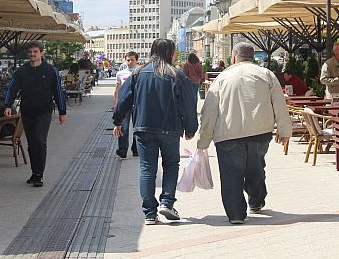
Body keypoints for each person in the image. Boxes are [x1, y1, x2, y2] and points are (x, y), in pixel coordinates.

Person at [199, 42, 292, 225]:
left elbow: (209, 110)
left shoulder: (221, 78)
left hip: (227, 134)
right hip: (260, 131)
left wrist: (203, 140)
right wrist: (284, 129)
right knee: (255, 169)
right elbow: (280, 104)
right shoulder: (266, 75)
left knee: (230, 174)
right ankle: (256, 201)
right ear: (252, 57)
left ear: (233, 58)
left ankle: (235, 214)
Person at [113, 39, 198, 225]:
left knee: (147, 168)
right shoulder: (177, 75)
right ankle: (167, 203)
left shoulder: (138, 73)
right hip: (170, 128)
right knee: (171, 165)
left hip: (144, 128)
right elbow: (189, 106)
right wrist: (191, 129)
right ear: (170, 53)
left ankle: (149, 213)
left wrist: (117, 120)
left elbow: (123, 100)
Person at [3, 41, 67, 188]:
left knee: (39, 140)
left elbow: (58, 91)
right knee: (31, 143)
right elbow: (12, 88)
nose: (32, 54)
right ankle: (34, 172)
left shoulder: (51, 70)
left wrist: (62, 111)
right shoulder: (22, 71)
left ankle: (39, 175)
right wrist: (7, 105)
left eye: (35, 52)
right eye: (30, 52)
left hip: (44, 110)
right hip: (27, 111)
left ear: (41, 53)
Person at [114, 51, 140, 158]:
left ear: (136, 60)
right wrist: (116, 103)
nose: (130, 62)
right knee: (123, 126)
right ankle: (123, 149)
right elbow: (117, 89)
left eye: (132, 60)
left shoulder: (140, 72)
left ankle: (136, 149)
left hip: (137, 104)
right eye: (128, 60)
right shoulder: (120, 74)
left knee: (137, 127)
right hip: (124, 104)